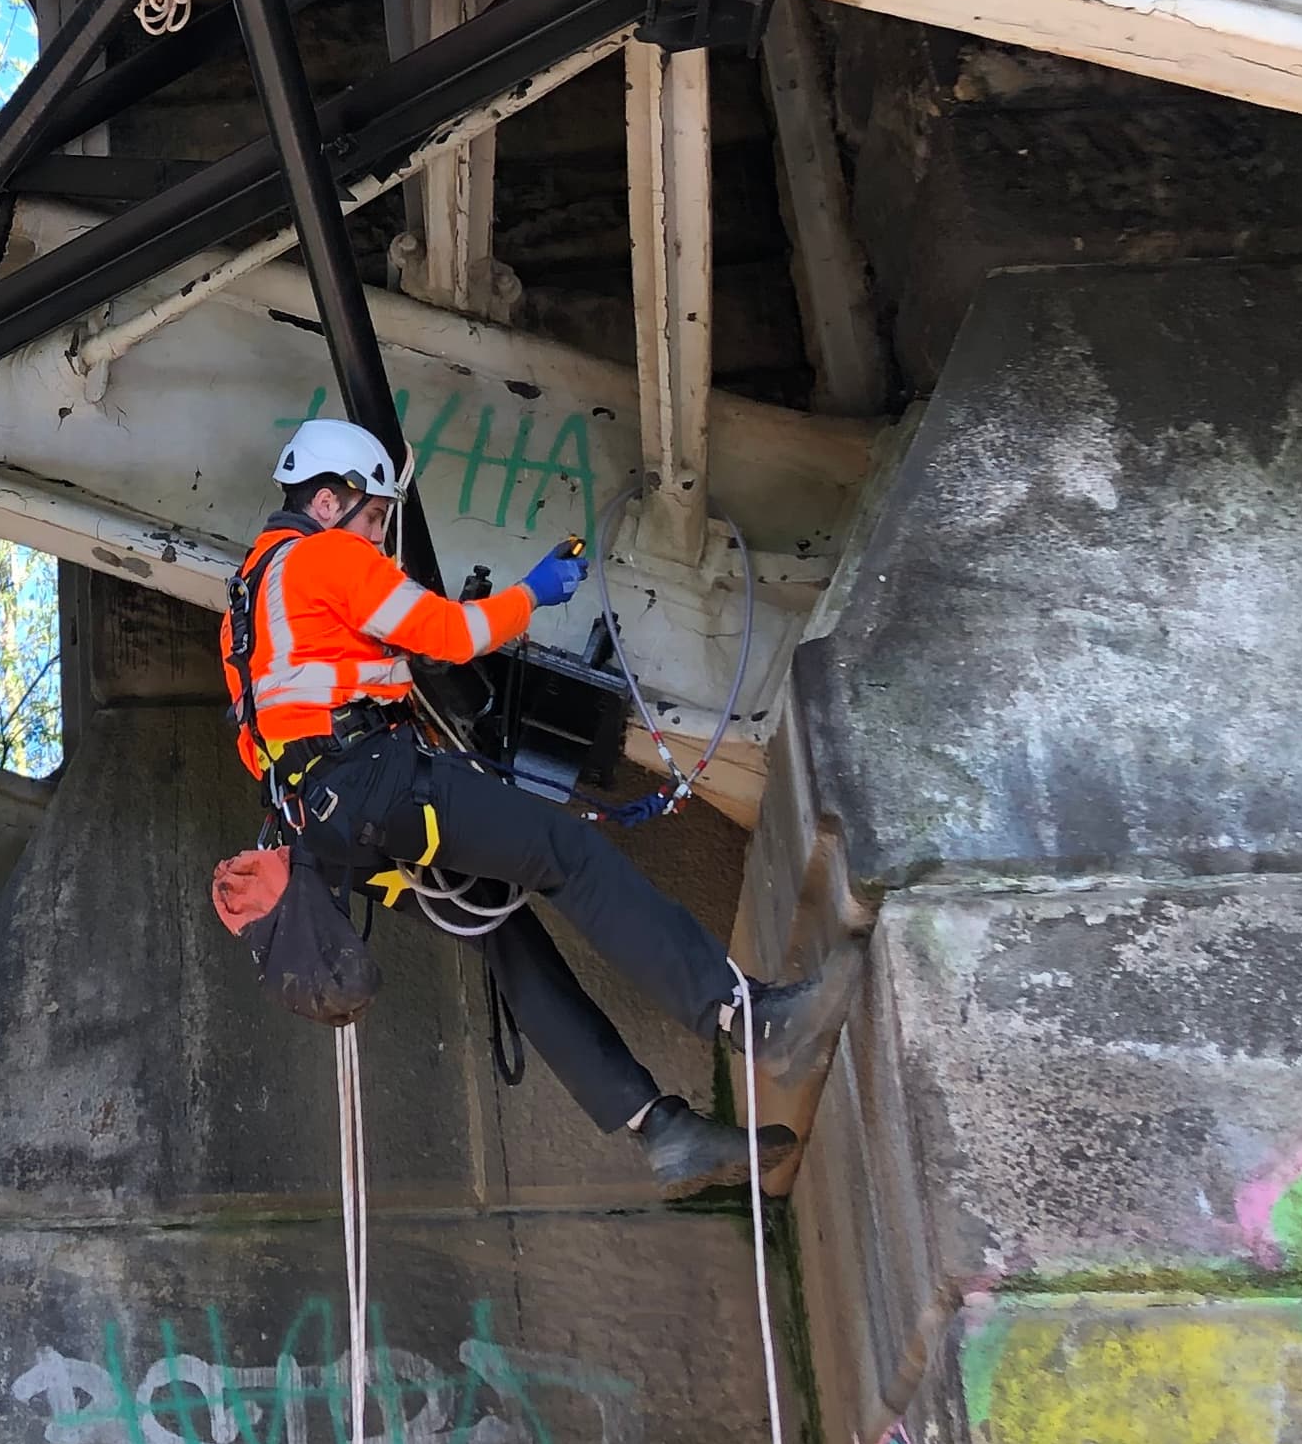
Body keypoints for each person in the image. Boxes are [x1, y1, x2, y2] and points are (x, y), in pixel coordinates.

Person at [225, 417, 848, 1192]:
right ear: (328, 503)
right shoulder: (324, 558)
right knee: (568, 855)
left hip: (326, 835)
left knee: (507, 936)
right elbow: (447, 635)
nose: (380, 534)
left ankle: (659, 1126)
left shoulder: (247, 600)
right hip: (372, 784)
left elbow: (287, 717)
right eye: (376, 515)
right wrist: (533, 593)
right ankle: (744, 1017)